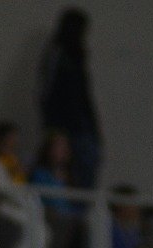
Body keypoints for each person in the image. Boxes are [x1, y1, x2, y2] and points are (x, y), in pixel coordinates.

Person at [38, 7, 101, 189]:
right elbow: (47, 92)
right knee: (71, 169)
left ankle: (81, 210)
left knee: (86, 166)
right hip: (68, 125)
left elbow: (83, 94)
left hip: (81, 124)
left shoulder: (77, 55)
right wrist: (54, 126)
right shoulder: (57, 54)